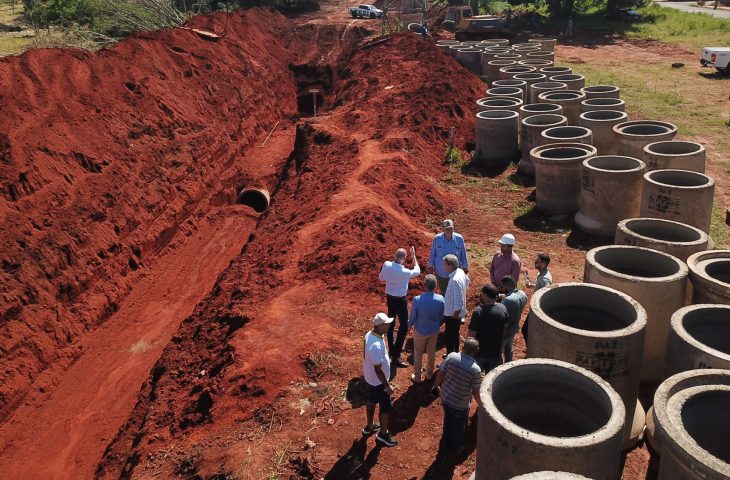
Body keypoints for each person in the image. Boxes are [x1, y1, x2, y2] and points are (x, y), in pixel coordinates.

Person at [433, 337, 483, 457]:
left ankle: (444, 445)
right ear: (476, 351)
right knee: (458, 428)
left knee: (447, 421)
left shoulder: (451, 357)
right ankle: (454, 450)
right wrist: (482, 405)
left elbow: (441, 373)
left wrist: (436, 386)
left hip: (445, 398)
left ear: (463, 347)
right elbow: (476, 391)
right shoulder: (475, 370)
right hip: (460, 404)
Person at [379, 246, 420, 367]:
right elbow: (417, 270)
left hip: (390, 298)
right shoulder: (404, 272)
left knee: (391, 323)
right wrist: (414, 256)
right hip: (401, 301)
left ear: (394, 256)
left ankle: (392, 351)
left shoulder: (386, 265)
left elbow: (381, 279)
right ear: (404, 258)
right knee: (403, 325)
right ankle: (396, 354)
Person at [362, 312, 399, 447]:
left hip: (370, 378)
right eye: (387, 324)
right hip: (378, 381)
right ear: (380, 326)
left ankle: (369, 426)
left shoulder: (370, 334)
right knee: (385, 407)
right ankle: (383, 434)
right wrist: (387, 386)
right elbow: (378, 370)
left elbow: (364, 353)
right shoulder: (376, 345)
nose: (389, 326)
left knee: (372, 400)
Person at [408, 274, 445, 383]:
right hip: (434, 330)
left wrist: (409, 326)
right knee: (431, 351)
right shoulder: (441, 299)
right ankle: (429, 374)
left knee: (418, 352)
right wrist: (437, 324)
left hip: (420, 330)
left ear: (424, 285)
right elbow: (442, 316)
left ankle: (418, 376)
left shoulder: (417, 300)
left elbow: (413, 316)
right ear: (435, 286)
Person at [467, 284, 509, 373]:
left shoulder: (478, 312)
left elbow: (471, 335)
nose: (481, 295)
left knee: (475, 377)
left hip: (479, 354)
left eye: (482, 293)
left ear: (485, 295)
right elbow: (505, 330)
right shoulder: (503, 308)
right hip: (496, 353)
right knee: (492, 380)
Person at [428, 219, 469, 296]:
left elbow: (463, 253)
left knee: (455, 293)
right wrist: (430, 268)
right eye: (447, 229)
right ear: (443, 229)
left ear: (453, 228)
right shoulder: (437, 239)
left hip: (455, 274)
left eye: (450, 228)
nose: (449, 230)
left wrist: (465, 268)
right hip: (441, 273)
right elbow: (432, 254)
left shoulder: (459, 239)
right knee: (443, 292)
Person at [442, 254, 469, 356]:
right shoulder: (460, 272)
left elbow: (458, 301)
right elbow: (467, 281)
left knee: (450, 337)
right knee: (455, 335)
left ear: (450, 265)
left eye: (444, 264)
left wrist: (455, 315)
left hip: (452, 315)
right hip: (456, 314)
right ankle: (455, 353)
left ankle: (450, 356)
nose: (443, 266)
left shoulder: (454, 280)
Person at [522, 252, 553, 342]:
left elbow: (545, 293)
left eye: (537, 262)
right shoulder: (543, 273)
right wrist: (531, 285)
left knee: (525, 330)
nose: (535, 263)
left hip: (538, 309)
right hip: (537, 308)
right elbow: (540, 286)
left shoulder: (544, 279)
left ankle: (532, 350)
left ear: (543, 264)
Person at [500, 275, 528, 363]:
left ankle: (499, 368)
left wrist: (504, 300)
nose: (502, 288)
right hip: (515, 326)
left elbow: (501, 312)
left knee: (500, 350)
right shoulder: (523, 294)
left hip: (505, 329)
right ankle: (508, 363)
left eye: (503, 286)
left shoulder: (508, 300)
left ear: (506, 286)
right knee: (509, 347)